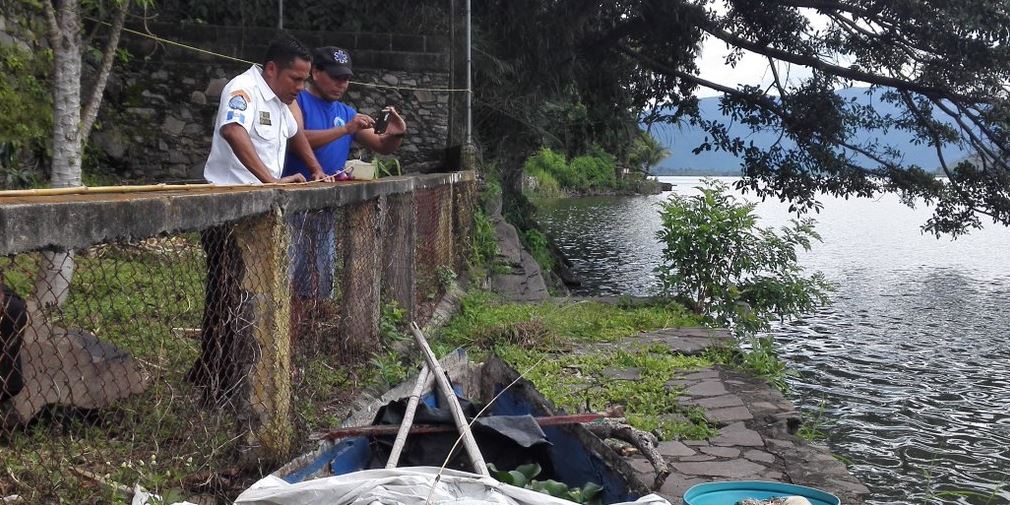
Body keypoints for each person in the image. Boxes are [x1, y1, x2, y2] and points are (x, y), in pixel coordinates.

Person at [191, 34, 325, 404]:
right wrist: (271, 181)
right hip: (229, 211)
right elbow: (233, 131)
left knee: (253, 296)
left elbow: (296, 136)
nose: (301, 87)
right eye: (295, 79)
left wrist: (316, 170)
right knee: (226, 295)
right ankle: (214, 380)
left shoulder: (282, 103)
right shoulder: (244, 90)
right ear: (271, 69)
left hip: (261, 215)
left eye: (304, 79)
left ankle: (235, 372)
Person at [282, 46, 407, 307]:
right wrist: (346, 130)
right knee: (290, 272)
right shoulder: (296, 101)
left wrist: (396, 133)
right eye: (336, 77)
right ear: (316, 72)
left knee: (321, 273)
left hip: (325, 205)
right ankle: (292, 320)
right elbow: (297, 139)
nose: (342, 84)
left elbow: (381, 146)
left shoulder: (346, 112)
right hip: (294, 203)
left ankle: (313, 321)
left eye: (346, 78)